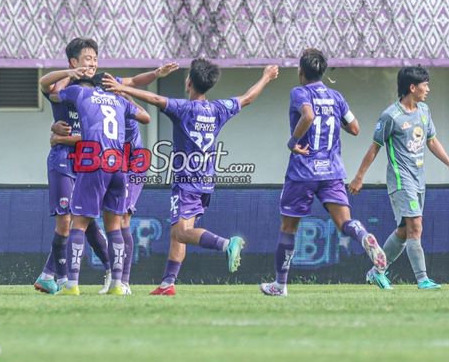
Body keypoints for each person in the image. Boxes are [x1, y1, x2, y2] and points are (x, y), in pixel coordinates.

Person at [103, 60, 279, 296]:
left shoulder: (184, 109)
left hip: (186, 183)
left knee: (180, 233)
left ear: (189, 83)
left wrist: (123, 89)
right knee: (182, 231)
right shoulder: (219, 108)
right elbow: (247, 98)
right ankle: (168, 283)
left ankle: (227, 244)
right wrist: (266, 77)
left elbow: (155, 100)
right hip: (206, 182)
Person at [33, 37, 177, 295]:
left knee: (89, 221)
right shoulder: (72, 84)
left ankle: (102, 278)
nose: (92, 63)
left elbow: (132, 84)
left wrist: (155, 74)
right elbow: (47, 87)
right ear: (73, 62)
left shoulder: (104, 85)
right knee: (74, 221)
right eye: (87, 59)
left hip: (95, 158)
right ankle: (63, 276)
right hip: (74, 159)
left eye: (95, 59)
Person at [259, 48, 387, 296]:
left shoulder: (299, 92)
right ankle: (363, 237)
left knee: (288, 228)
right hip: (332, 171)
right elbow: (355, 128)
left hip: (303, 172)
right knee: (345, 222)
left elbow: (307, 115)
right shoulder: (336, 97)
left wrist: (292, 141)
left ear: (301, 71)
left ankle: (280, 285)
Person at [348, 65, 449, 290]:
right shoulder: (391, 116)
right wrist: (359, 177)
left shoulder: (424, 111)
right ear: (412, 87)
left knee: (404, 231)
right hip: (401, 181)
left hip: (419, 179)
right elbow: (374, 148)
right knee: (416, 226)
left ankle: (377, 271)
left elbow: (431, 140)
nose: (428, 89)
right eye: (425, 85)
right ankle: (423, 279)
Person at [40, 67, 151, 295]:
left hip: (94, 160)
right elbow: (145, 116)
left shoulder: (80, 92)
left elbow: (52, 90)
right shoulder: (118, 101)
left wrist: (69, 73)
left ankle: (71, 284)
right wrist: (122, 92)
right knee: (114, 225)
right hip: (120, 164)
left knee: (78, 223)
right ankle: (118, 285)